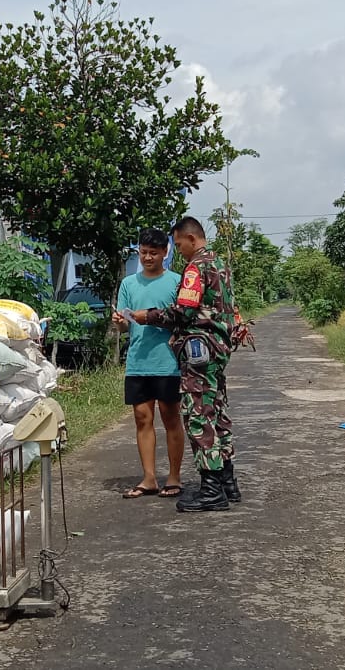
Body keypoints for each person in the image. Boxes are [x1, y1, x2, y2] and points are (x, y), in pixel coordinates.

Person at [130, 216, 241, 513]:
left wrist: (147, 316)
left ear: (191, 239)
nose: (178, 251)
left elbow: (182, 312)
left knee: (199, 417)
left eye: (178, 245)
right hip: (218, 351)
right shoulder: (219, 264)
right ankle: (227, 481)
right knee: (218, 414)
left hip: (199, 355)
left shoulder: (196, 268)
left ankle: (211, 489)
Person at [112, 228, 186, 499]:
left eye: (153, 253)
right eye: (143, 252)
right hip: (138, 361)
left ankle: (174, 477)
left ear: (165, 252)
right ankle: (149, 478)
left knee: (170, 417)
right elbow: (123, 325)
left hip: (168, 362)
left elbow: (183, 318)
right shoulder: (128, 284)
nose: (147, 257)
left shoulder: (177, 282)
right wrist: (120, 323)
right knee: (142, 418)